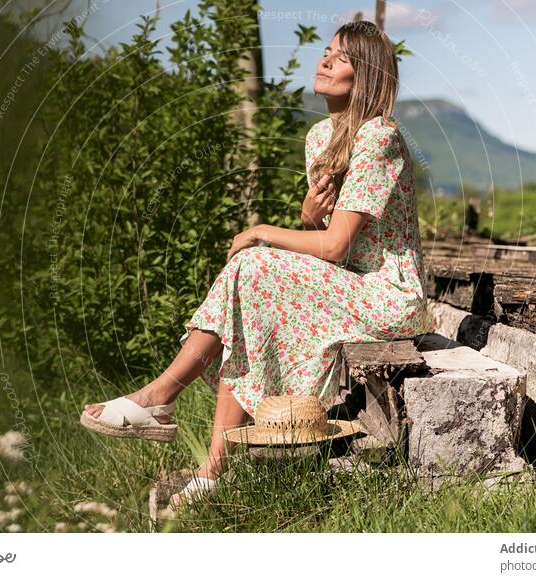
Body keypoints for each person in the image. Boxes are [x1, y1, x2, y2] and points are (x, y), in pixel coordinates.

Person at [81, 20, 427, 507]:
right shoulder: (320, 138)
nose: (324, 60)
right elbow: (327, 247)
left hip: (389, 297)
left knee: (254, 264)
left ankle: (160, 400)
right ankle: (210, 471)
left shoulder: (379, 137)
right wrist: (307, 219)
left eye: (341, 57)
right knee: (253, 289)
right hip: (350, 286)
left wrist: (264, 230)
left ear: (367, 75)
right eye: (325, 51)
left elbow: (335, 248)